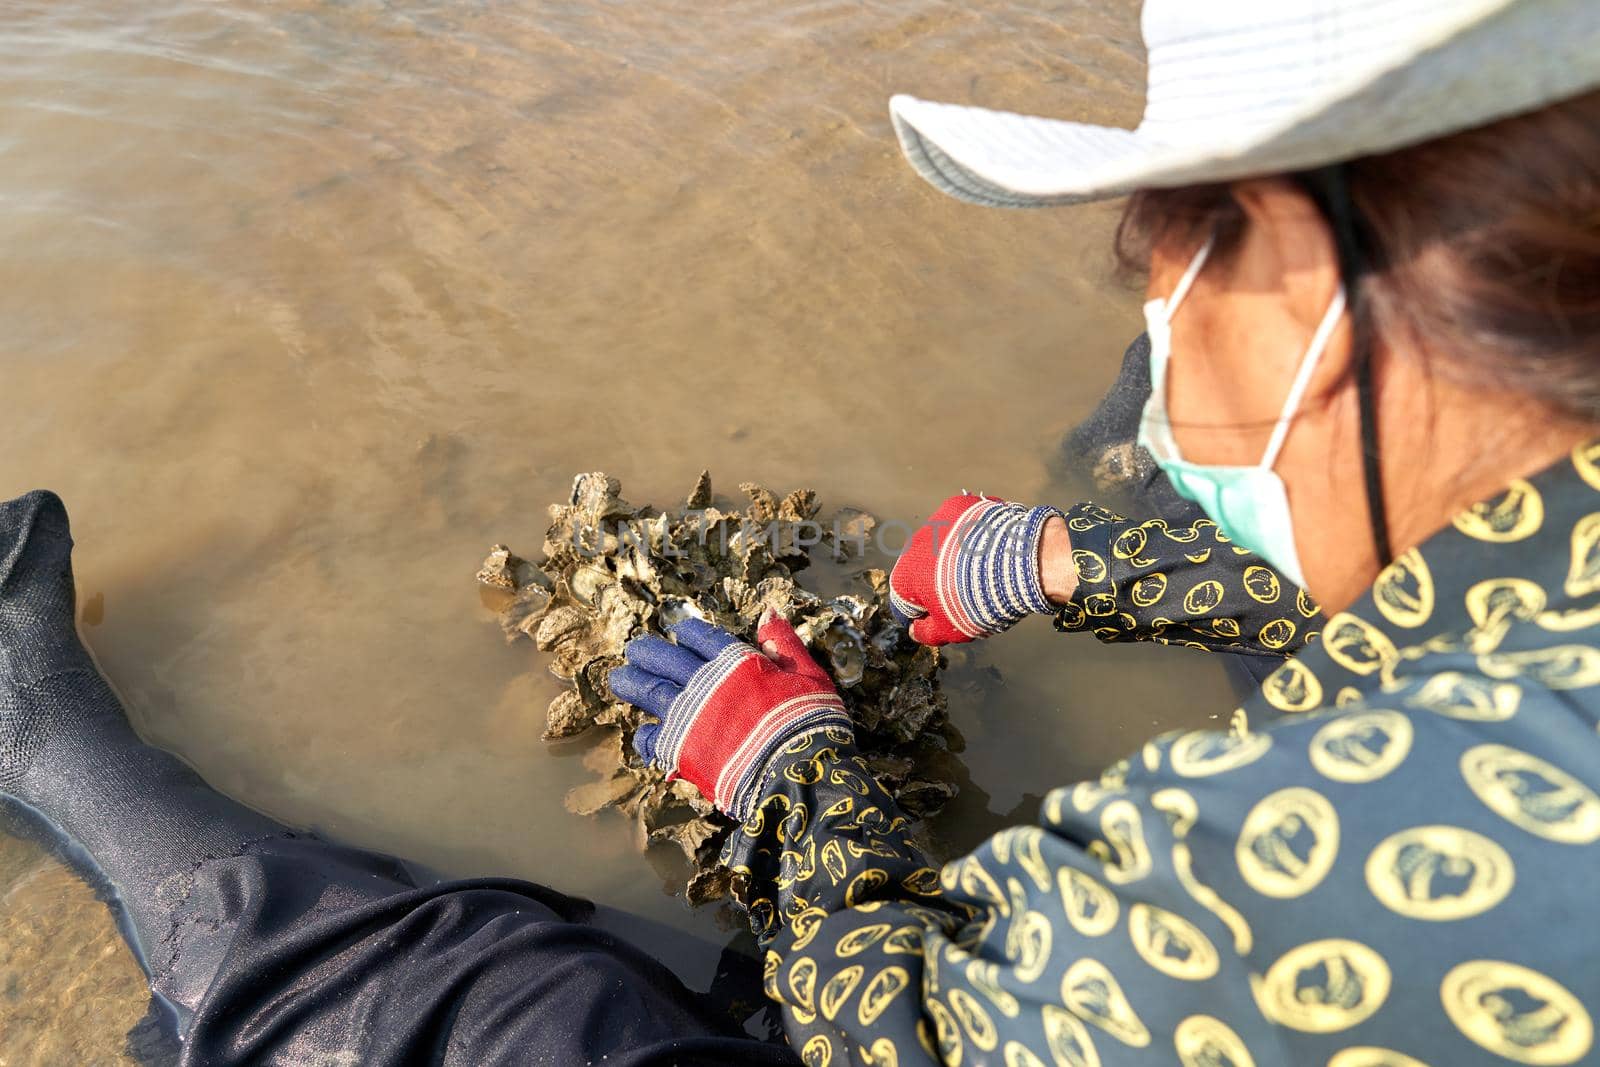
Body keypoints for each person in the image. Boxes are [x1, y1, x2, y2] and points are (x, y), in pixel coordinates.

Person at [2, 4, 1597, 1067]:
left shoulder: (1306, 861)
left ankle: (53, 757)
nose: (1172, 358)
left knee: (515, 1009)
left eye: (1168, 286)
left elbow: (897, 1035)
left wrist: (797, 776)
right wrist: (1068, 561)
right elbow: (1437, 597)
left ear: (1313, 278)